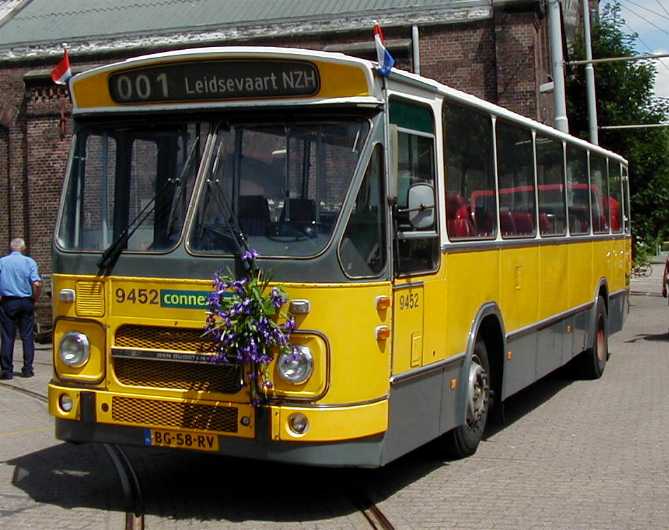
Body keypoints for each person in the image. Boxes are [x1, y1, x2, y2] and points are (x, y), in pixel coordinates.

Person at [0, 238, 41, 379]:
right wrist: (35, 298)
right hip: (26, 302)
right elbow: (36, 283)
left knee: (7, 337)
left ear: (10, 248)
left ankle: (7, 371)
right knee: (27, 336)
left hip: (8, 302)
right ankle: (28, 369)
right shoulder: (30, 262)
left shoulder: (2, 262)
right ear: (23, 249)